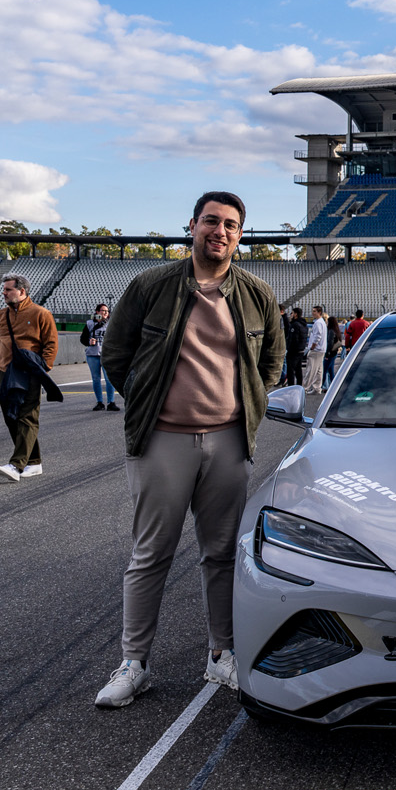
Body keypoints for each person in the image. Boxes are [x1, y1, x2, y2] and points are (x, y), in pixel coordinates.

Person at [95, 191, 284, 708]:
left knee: (221, 554)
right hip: (163, 438)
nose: (219, 231)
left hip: (228, 440)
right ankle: (134, 664)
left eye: (230, 225)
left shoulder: (257, 293)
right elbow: (116, 354)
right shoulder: (151, 285)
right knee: (150, 553)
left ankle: (221, 653)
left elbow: (271, 361)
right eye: (210, 221)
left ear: (239, 236)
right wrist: (150, 403)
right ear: (193, 226)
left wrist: (248, 405)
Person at [0, 275, 58, 481]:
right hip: (3, 373)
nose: (4, 293)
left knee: (27, 417)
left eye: (8, 290)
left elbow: (51, 344)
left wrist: (42, 368)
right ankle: (34, 463)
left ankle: (16, 465)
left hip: (29, 373)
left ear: (22, 291)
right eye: (4, 290)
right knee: (11, 417)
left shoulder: (41, 314)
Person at [82, 302, 118, 412]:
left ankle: (111, 402)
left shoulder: (111, 323)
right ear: (97, 312)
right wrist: (89, 341)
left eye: (107, 311)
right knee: (96, 379)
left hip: (107, 355)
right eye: (103, 311)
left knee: (109, 379)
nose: (105, 313)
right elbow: (83, 339)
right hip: (93, 355)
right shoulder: (90, 323)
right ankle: (99, 402)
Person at [304, 306, 327, 394]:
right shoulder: (322, 322)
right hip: (321, 349)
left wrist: (313, 346)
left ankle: (305, 388)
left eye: (314, 311)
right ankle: (317, 388)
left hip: (316, 349)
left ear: (319, 312)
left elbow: (317, 336)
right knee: (319, 370)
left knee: (311, 369)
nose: (312, 313)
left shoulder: (318, 323)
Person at [284, 306, 308, 387]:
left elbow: (293, 339)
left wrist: (289, 348)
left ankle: (291, 386)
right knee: (298, 369)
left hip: (294, 351)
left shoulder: (295, 325)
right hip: (301, 350)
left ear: (296, 314)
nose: (291, 315)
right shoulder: (304, 325)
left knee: (291, 370)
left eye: (292, 313)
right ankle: (299, 385)